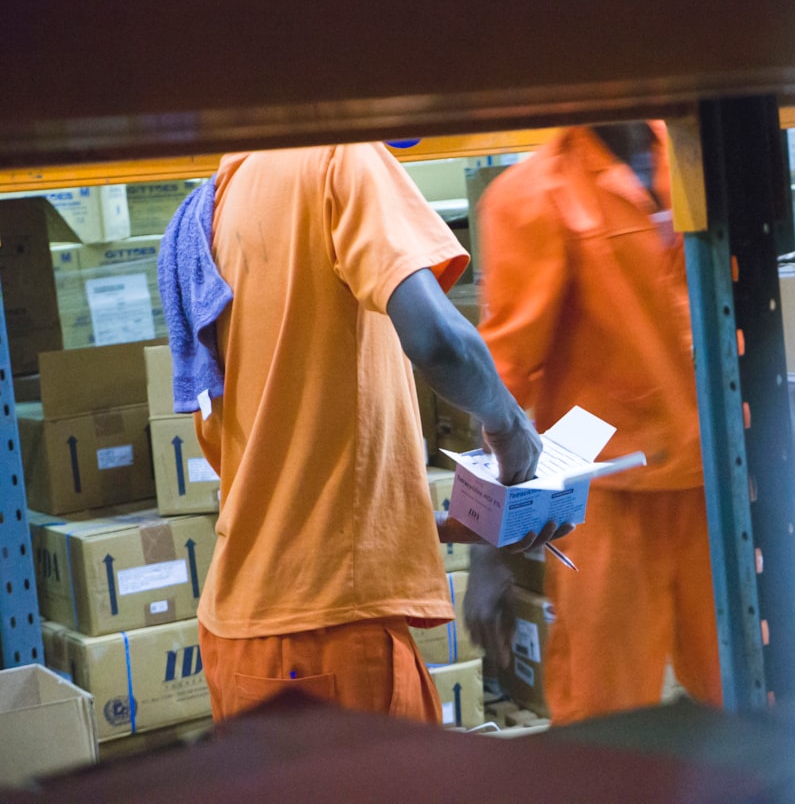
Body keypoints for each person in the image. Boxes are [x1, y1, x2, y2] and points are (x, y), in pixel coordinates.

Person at [158, 142, 570, 724]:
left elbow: (280, 469)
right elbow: (436, 340)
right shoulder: (339, 158)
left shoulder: (222, 200)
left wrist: (441, 528)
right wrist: (508, 424)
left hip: (250, 635)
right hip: (326, 640)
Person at [465, 121, 722, 724]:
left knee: (758, 709)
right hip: (606, 509)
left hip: (717, 494)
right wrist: (486, 551)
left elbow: (745, 322)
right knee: (608, 735)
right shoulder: (532, 197)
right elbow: (501, 386)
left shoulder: (703, 161)